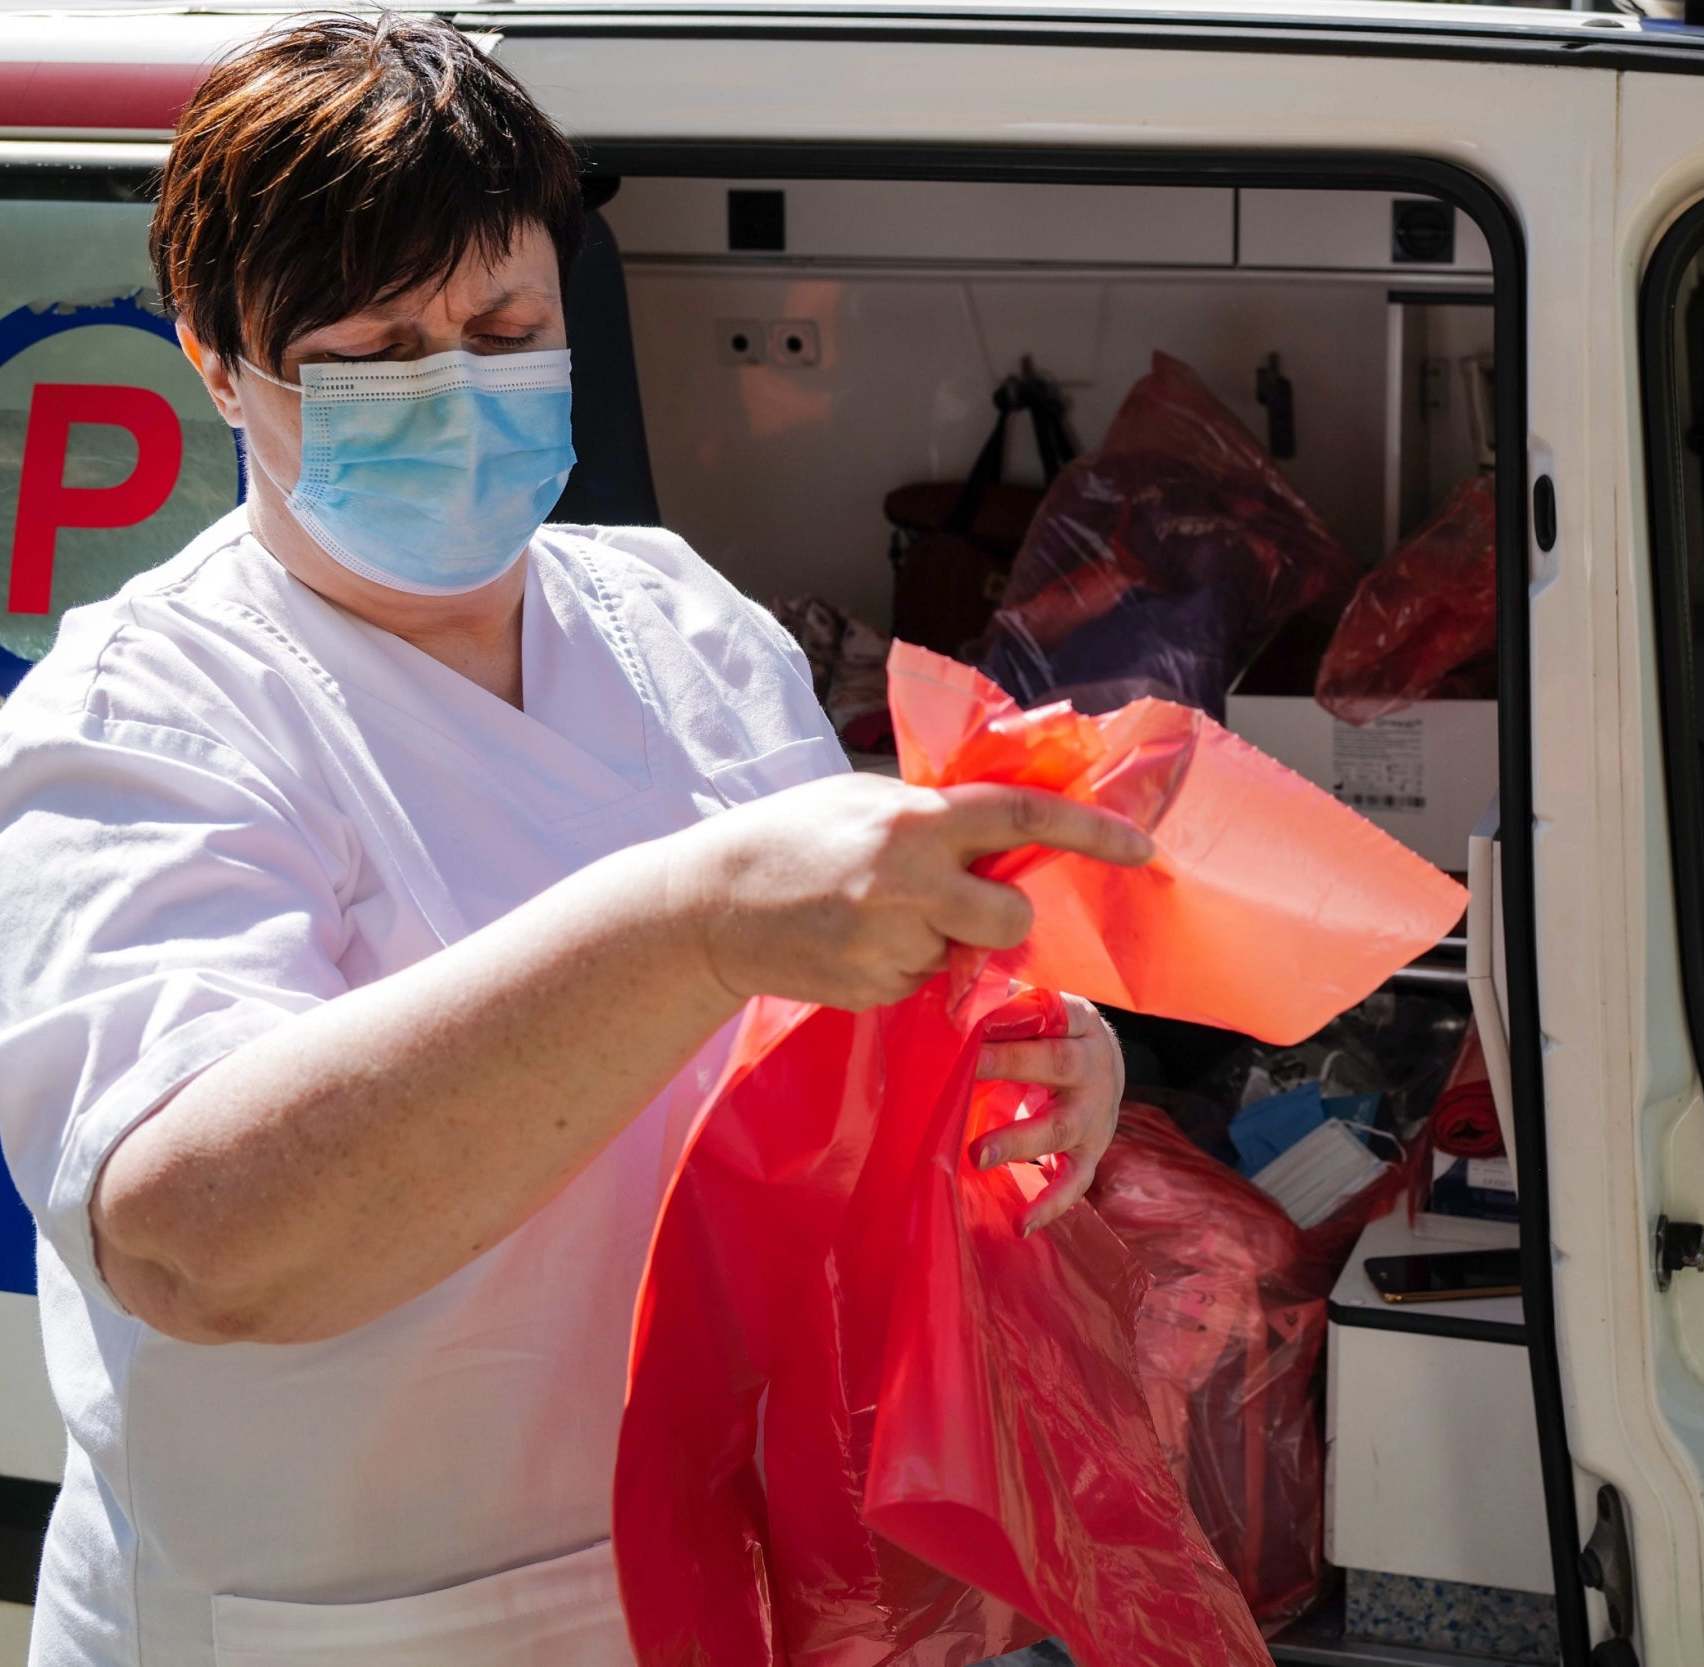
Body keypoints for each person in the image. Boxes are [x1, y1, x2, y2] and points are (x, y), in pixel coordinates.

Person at [0, 18, 1148, 1665]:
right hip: (339, 1625)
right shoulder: (145, 715)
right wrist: (685, 927)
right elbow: (196, 1238)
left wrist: (1028, 1044)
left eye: (501, 324)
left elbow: (827, 1027)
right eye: (375, 351)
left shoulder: (673, 617)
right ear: (216, 362)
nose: (451, 386)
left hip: (722, 1569)